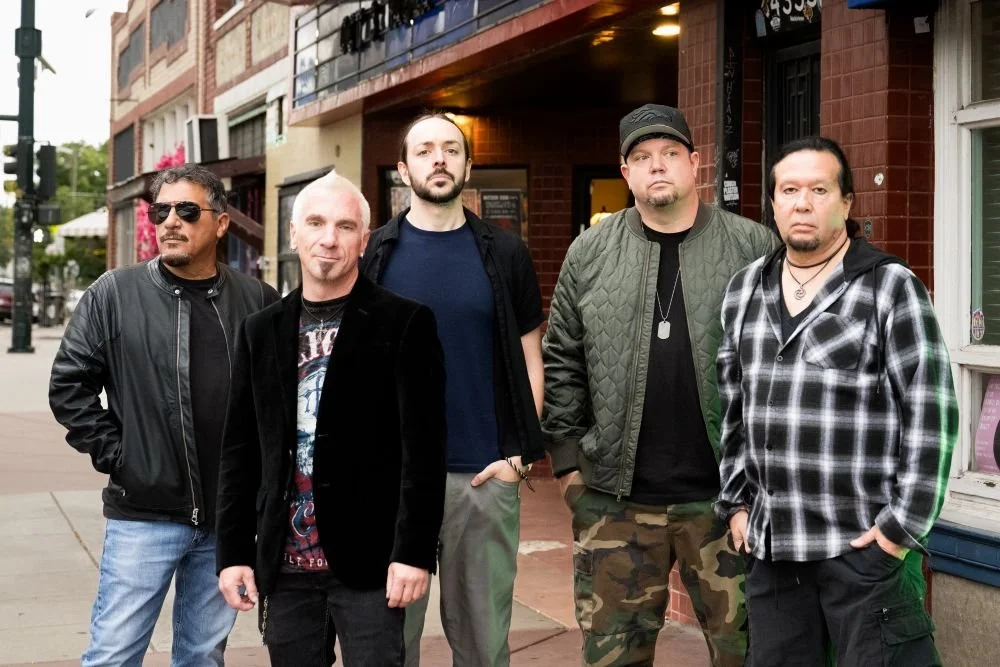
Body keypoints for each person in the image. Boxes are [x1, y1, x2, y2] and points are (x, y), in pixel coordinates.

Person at [542, 103, 780, 666]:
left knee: (751, 652)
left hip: (727, 503)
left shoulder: (751, 247)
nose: (657, 167)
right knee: (613, 657)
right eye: (642, 158)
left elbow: (781, 360)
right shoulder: (591, 252)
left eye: (670, 154)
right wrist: (571, 467)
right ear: (625, 173)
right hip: (615, 502)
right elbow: (563, 358)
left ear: (694, 163)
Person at [716, 136, 957, 666]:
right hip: (774, 549)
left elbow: (931, 412)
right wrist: (736, 505)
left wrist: (899, 530)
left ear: (847, 203)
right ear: (774, 204)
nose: (803, 202)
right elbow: (732, 406)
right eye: (789, 190)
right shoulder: (744, 291)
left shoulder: (890, 288)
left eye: (819, 189)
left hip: (862, 550)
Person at [49, 164, 280, 665]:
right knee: (114, 654)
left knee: (202, 656)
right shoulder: (113, 293)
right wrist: (123, 456)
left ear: (220, 223)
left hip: (228, 520)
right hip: (144, 514)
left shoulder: (258, 301)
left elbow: (276, 403)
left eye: (187, 210)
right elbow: (70, 388)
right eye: (161, 211)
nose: (170, 221)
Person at [215, 170, 447, 666]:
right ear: (293, 233)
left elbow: (424, 454)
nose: (329, 238)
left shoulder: (405, 323)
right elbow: (240, 451)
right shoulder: (260, 331)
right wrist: (233, 553)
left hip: (371, 564)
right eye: (316, 223)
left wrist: (414, 552)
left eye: (345, 227)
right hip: (285, 564)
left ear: (364, 240)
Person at [360, 112, 545, 666]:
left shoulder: (505, 253)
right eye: (424, 150)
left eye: (450, 149)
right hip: (392, 482)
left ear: (468, 166)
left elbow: (532, 358)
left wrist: (520, 458)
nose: (438, 159)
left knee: (484, 648)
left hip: (482, 479)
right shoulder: (375, 254)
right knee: (388, 646)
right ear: (403, 168)